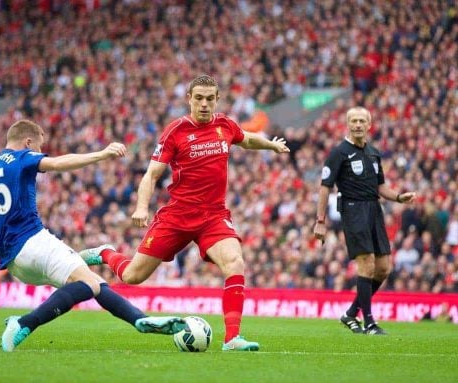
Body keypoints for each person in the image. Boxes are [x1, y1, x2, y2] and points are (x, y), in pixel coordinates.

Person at [79, 75, 290, 351]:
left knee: (235, 263)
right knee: (132, 276)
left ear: (217, 99)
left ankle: (232, 339)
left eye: (209, 98)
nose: (204, 104)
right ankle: (106, 252)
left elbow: (246, 139)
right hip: (178, 216)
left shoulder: (225, 124)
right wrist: (142, 206)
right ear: (189, 99)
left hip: (213, 216)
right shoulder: (175, 131)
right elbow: (152, 174)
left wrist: (271, 145)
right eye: (199, 98)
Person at [0, 119, 185, 352]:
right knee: (88, 282)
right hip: (33, 241)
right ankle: (24, 323)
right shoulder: (21, 157)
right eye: (39, 146)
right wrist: (102, 154)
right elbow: (56, 164)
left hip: (15, 264)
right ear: (28, 143)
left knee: (91, 283)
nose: (40, 150)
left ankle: (140, 320)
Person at [313, 106, 416, 335]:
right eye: (354, 121)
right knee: (367, 263)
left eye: (362, 121)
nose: (358, 125)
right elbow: (325, 187)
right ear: (347, 124)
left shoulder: (373, 153)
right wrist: (320, 220)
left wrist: (399, 197)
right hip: (352, 210)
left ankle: (350, 314)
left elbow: (381, 187)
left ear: (369, 125)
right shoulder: (338, 153)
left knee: (383, 268)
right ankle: (369, 322)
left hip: (374, 210)